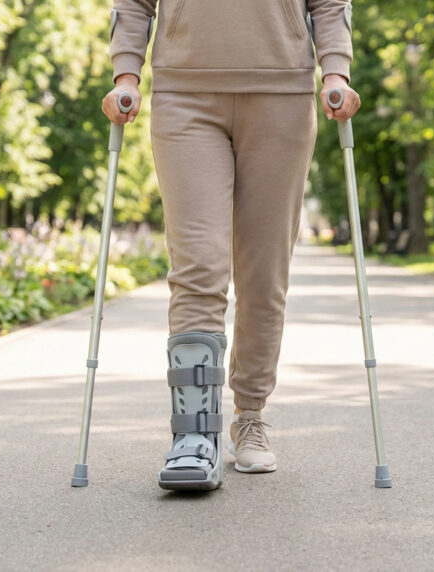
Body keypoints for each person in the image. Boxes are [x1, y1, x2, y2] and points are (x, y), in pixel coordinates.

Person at [101, 0, 361, 491]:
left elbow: (329, 4)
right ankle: (194, 434)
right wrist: (126, 75)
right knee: (199, 267)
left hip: (282, 95)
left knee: (264, 275)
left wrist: (336, 71)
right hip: (185, 95)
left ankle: (250, 416)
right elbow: (133, 4)